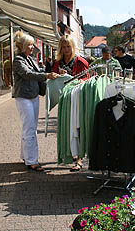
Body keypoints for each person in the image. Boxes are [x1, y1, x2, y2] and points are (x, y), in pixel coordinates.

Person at [13, 31, 60, 171]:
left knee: (28, 127)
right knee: (30, 128)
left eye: (33, 45)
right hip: (23, 97)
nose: (32, 47)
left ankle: (25, 156)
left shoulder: (30, 58)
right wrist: (46, 75)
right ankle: (32, 161)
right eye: (30, 45)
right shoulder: (18, 60)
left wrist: (55, 73)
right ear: (22, 46)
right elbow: (28, 74)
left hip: (32, 95)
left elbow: (39, 70)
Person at [52, 35, 89, 171]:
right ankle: (68, 154)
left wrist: (80, 80)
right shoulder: (57, 62)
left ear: (73, 47)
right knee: (66, 128)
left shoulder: (80, 61)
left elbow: (88, 78)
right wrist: (57, 74)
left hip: (77, 98)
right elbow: (53, 78)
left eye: (68, 46)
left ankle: (78, 160)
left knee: (76, 127)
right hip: (63, 99)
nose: (66, 49)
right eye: (63, 46)